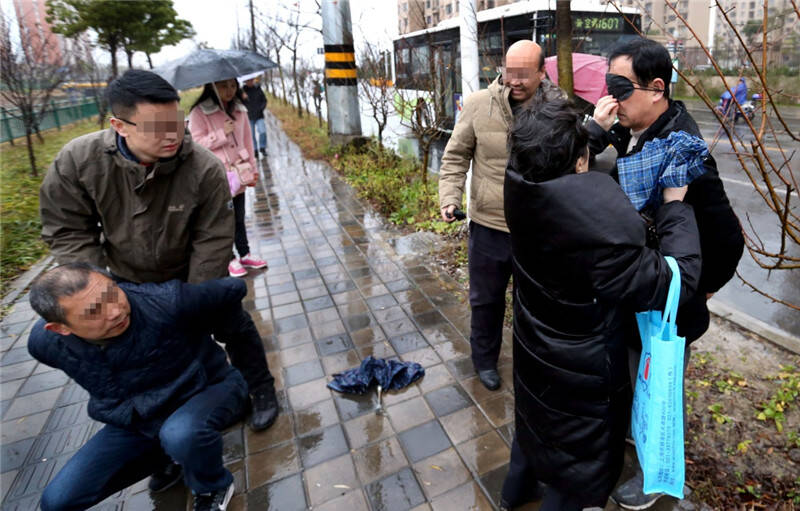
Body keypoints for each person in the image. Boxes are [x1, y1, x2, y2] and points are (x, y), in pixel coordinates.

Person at [39, 70, 279, 437]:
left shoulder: (203, 168)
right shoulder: (79, 162)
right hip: (126, 282)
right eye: (156, 127)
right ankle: (169, 425)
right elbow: (68, 229)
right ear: (120, 125)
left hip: (190, 276)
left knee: (232, 323)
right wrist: (102, 287)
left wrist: (192, 301)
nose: (172, 136)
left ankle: (260, 388)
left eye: (177, 123)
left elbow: (214, 237)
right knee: (147, 353)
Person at [501, 99, 702, 510]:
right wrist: (675, 207)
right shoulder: (598, 238)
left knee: (534, 427)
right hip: (581, 372)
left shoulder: (520, 185)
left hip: (535, 343)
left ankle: (513, 494)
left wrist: (592, 132)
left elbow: (550, 163)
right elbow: (678, 280)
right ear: (579, 164)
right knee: (573, 471)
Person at [587, 38, 744, 509]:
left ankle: (657, 482)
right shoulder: (631, 132)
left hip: (667, 307)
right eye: (607, 85)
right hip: (635, 295)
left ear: (657, 89)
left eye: (620, 87)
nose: (610, 99)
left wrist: (700, 287)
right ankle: (638, 449)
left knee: (660, 393)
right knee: (637, 384)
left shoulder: (681, 151)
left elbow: (727, 238)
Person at [28, 263, 249, 511]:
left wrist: (259, 381)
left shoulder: (164, 301)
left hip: (207, 391)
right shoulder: (44, 344)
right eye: (93, 311)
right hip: (137, 422)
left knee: (180, 434)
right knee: (57, 501)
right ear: (60, 328)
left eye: (112, 293)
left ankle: (212, 486)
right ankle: (171, 454)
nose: (114, 311)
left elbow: (233, 287)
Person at [438, 39, 563, 390]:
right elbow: (455, 157)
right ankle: (484, 362)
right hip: (488, 226)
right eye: (510, 72)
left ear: (542, 72)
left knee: (535, 306)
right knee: (486, 301)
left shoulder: (558, 107)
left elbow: (570, 163)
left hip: (537, 230)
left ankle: (532, 365)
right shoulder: (479, 105)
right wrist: (449, 197)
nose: (516, 80)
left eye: (525, 74)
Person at [188, 78, 268, 278]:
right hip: (215, 176)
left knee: (239, 217)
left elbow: (248, 141)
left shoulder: (240, 109)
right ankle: (229, 258)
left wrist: (253, 168)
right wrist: (220, 133)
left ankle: (244, 253)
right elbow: (195, 144)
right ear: (212, 86)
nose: (229, 90)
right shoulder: (199, 112)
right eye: (223, 86)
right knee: (223, 220)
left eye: (233, 86)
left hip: (239, 173)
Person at [242, 77, 267, 157]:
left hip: (259, 115)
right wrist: (242, 98)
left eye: (251, 80)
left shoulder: (258, 89)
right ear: (245, 81)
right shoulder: (242, 91)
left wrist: (261, 109)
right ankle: (255, 150)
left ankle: (262, 148)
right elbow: (238, 103)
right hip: (249, 116)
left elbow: (264, 100)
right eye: (248, 80)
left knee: (262, 131)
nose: (250, 82)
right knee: (251, 135)